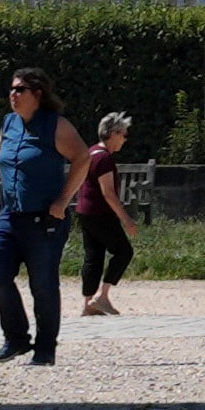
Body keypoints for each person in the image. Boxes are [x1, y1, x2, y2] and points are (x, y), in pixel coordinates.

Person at [0, 70, 72, 366]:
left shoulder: (56, 126)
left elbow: (82, 159)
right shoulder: (9, 123)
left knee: (42, 285)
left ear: (37, 94)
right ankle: (16, 338)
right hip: (9, 214)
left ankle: (45, 348)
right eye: (12, 89)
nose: (13, 94)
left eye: (20, 89)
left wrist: (63, 201)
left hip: (44, 220)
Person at [66, 109, 143, 316]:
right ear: (114, 133)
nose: (125, 140)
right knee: (124, 251)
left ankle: (88, 304)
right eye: (124, 135)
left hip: (85, 211)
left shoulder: (90, 152)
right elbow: (108, 193)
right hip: (100, 213)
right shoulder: (104, 159)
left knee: (93, 256)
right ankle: (102, 295)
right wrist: (126, 219)